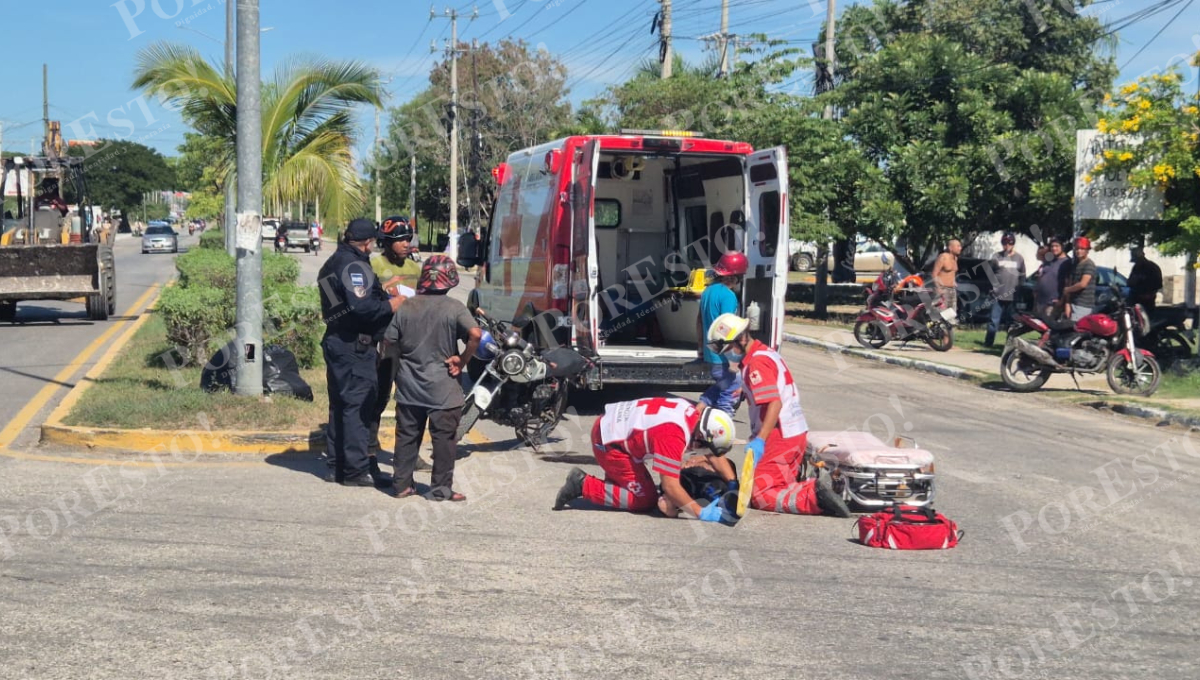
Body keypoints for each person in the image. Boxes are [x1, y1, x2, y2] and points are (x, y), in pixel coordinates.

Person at [706, 313, 850, 517]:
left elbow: (774, 402)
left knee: (759, 494)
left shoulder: (757, 364)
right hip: (794, 432)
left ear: (741, 339)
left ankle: (814, 495)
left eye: (727, 348)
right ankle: (819, 489)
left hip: (779, 434)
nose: (726, 354)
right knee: (780, 485)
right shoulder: (765, 354)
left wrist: (760, 441)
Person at [384, 255, 482, 501]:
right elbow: (475, 334)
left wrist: (397, 366)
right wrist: (462, 360)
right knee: (444, 440)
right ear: (450, 280)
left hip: (409, 387)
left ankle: (402, 486)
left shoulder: (407, 306)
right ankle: (440, 489)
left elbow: (388, 340)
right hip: (443, 388)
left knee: (406, 436)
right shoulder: (455, 308)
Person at [551, 397, 738, 524]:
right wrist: (700, 512)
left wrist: (732, 483)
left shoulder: (691, 411)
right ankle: (583, 485)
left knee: (641, 486)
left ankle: (616, 482)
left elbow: (713, 453)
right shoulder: (673, 435)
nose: (703, 453)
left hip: (612, 429)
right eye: (704, 447)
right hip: (609, 445)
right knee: (645, 499)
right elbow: (671, 486)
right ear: (700, 436)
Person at [317, 218, 403, 487]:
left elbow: (342, 302)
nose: (374, 246)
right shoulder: (354, 265)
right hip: (354, 346)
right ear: (366, 243)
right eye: (374, 242)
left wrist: (379, 294)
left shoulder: (334, 261)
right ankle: (355, 471)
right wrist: (393, 305)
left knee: (340, 406)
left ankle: (337, 466)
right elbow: (361, 308)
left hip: (338, 340)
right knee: (357, 408)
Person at [367, 216, 425, 469]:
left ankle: (409, 454)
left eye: (407, 239)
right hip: (384, 339)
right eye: (400, 240)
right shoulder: (373, 264)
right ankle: (370, 446)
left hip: (411, 341)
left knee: (411, 399)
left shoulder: (415, 269)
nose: (405, 244)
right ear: (387, 242)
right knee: (379, 394)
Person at [696, 251, 746, 415]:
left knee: (720, 386)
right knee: (731, 389)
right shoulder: (728, 296)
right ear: (734, 276)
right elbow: (727, 328)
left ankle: (700, 409)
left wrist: (701, 348)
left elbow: (699, 322)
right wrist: (735, 357)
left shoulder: (707, 292)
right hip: (723, 355)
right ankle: (724, 426)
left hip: (711, 353)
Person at [984, 233, 1026, 347]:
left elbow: (1022, 277)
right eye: (1004, 243)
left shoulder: (1019, 258)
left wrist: (1019, 290)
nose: (1006, 245)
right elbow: (989, 273)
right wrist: (993, 287)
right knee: (993, 321)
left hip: (1012, 296)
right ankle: (988, 343)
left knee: (1012, 322)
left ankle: (1009, 344)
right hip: (997, 295)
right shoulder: (996, 256)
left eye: (1009, 243)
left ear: (1013, 243)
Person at [1062, 236, 1097, 321]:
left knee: (1077, 330)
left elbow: (1083, 284)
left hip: (1083, 305)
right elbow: (1070, 282)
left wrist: (1067, 290)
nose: (1079, 251)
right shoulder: (1075, 264)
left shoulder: (1089, 264)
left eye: (1082, 249)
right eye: (1077, 248)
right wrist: (1067, 303)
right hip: (1072, 303)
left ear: (1087, 250)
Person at [1034, 238, 1070, 319]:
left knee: (1048, 327)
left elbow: (1068, 284)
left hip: (1053, 302)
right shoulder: (1050, 260)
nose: (1054, 248)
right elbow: (1039, 255)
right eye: (1052, 246)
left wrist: (1062, 300)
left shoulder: (1067, 262)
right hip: (1041, 300)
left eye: (1057, 246)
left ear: (1062, 247)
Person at [931, 239, 961, 323]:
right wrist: (938, 288)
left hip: (952, 290)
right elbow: (934, 274)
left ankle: (947, 335)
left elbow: (952, 272)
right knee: (941, 317)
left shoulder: (955, 258)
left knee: (950, 318)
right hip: (943, 290)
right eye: (958, 246)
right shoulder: (943, 257)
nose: (960, 248)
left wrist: (953, 282)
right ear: (951, 248)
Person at [1128, 247, 1162, 313]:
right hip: (1135, 299)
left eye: (1137, 260)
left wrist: (1149, 294)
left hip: (1147, 301)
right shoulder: (1136, 268)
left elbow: (1158, 284)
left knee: (1147, 317)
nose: (1137, 262)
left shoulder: (1152, 267)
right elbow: (1130, 281)